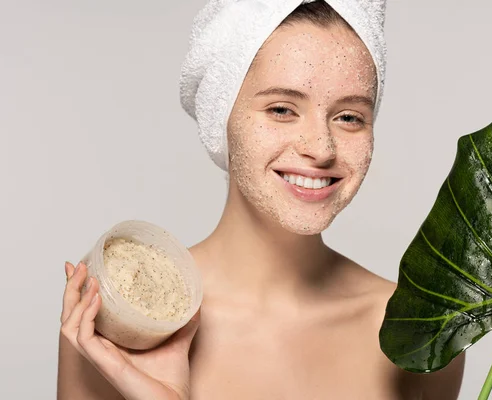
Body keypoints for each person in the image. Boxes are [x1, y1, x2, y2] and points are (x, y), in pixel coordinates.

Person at [58, 1, 465, 399]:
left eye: (349, 117)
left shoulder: (419, 329)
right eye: (282, 109)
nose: (321, 148)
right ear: (222, 115)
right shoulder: (123, 316)